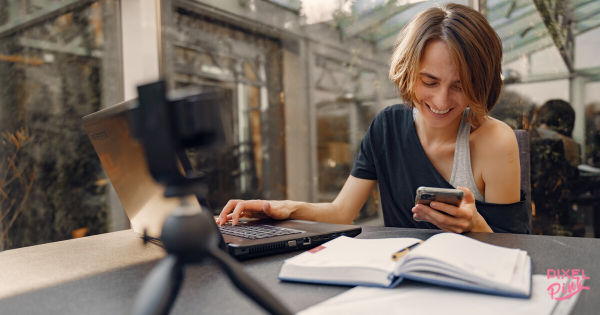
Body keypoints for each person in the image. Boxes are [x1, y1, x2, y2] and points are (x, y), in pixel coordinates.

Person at [218, 3, 531, 234]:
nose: (440, 100)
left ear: (480, 85)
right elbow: (341, 212)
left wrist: (475, 224)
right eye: (429, 81)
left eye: (459, 87)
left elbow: (516, 254)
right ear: (408, 72)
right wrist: (280, 208)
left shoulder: (495, 142)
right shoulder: (387, 128)